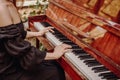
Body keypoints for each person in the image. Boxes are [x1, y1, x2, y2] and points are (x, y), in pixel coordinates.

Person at [0, 0, 71, 80]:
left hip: (15, 59)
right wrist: (54, 54)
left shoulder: (9, 3)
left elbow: (17, 34)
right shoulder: (1, 8)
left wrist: (38, 33)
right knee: (54, 71)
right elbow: (18, 48)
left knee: (54, 65)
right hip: (9, 68)